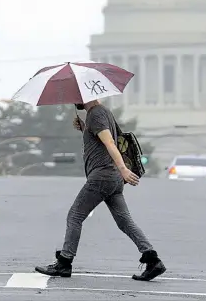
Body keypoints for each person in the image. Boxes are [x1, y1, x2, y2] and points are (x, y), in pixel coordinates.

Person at [35, 100, 166, 281]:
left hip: (103, 176)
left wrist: (124, 169)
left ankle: (64, 263)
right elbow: (100, 142)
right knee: (124, 222)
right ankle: (153, 260)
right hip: (112, 178)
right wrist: (84, 128)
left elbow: (110, 142)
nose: (74, 100)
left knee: (75, 216)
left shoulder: (95, 114)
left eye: (76, 96)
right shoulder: (102, 113)